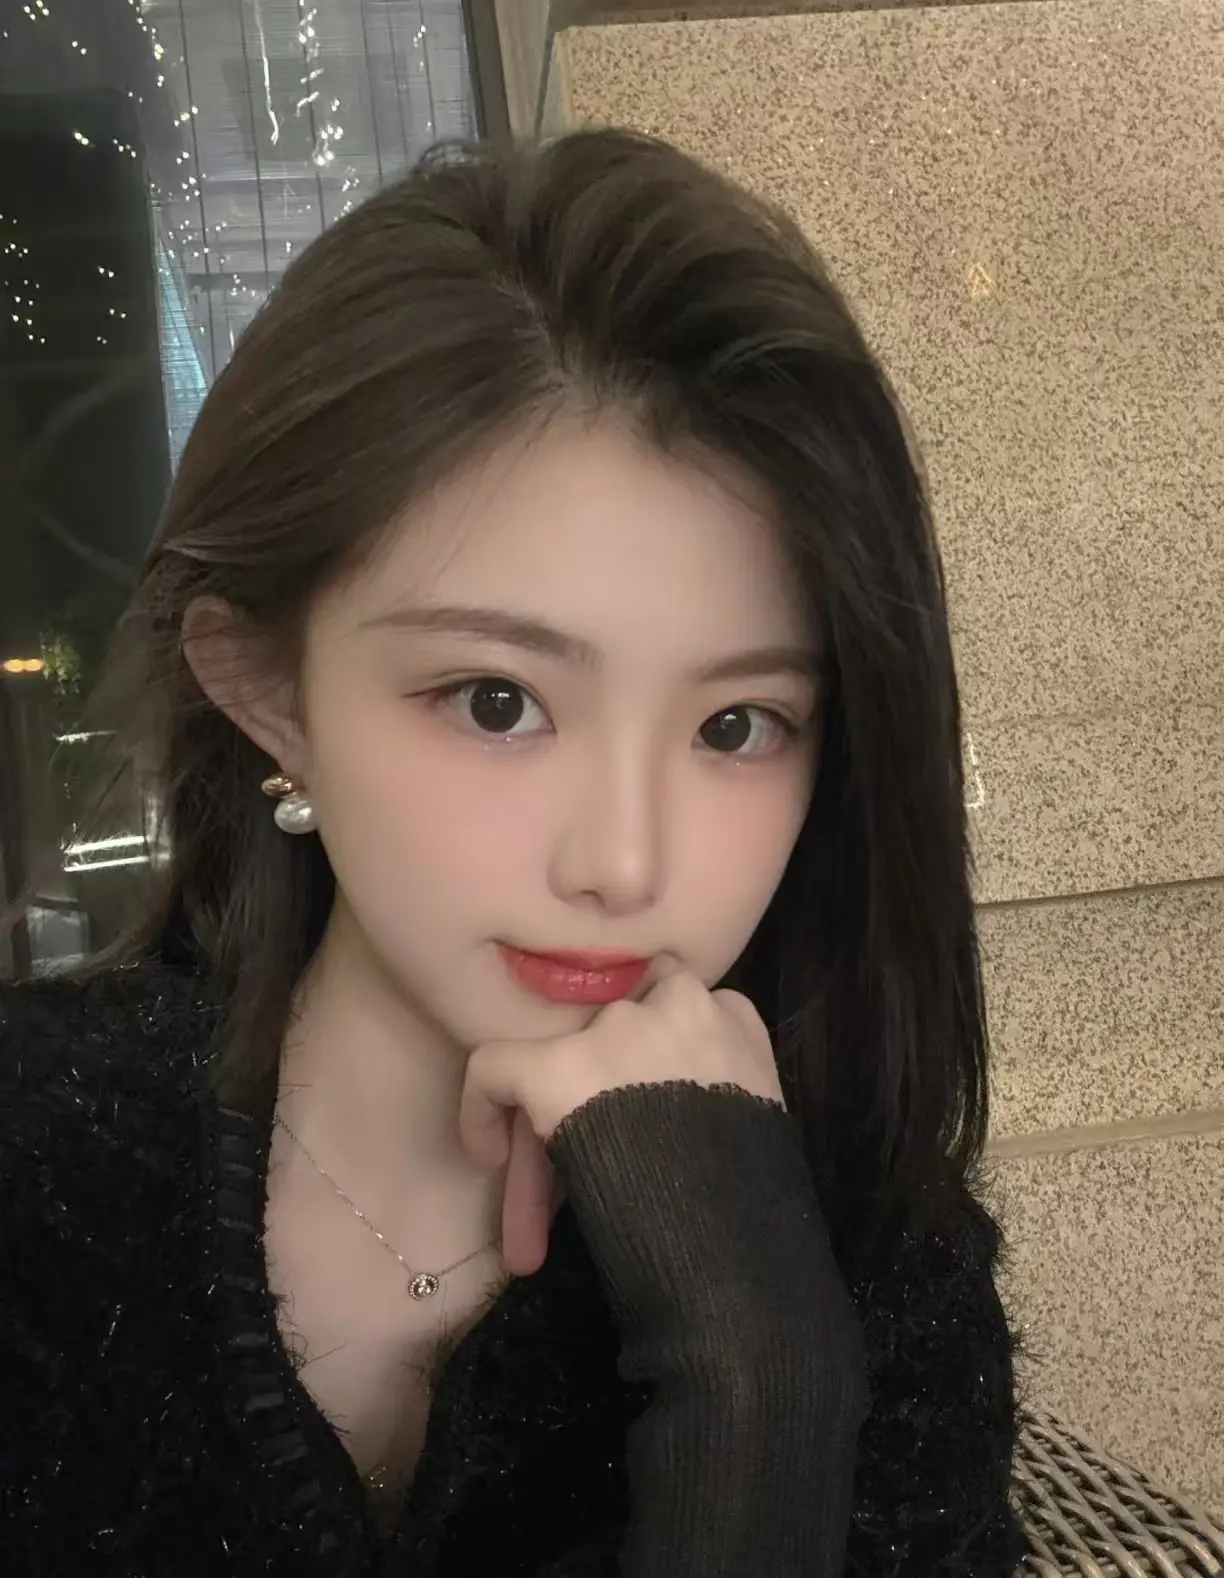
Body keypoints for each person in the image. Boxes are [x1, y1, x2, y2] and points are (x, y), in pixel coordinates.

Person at [0, 130, 1026, 1576]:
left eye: (737, 725)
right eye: (498, 702)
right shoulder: (38, 1167)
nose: (623, 863)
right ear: (270, 692)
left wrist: (758, 1376)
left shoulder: (867, 1261)